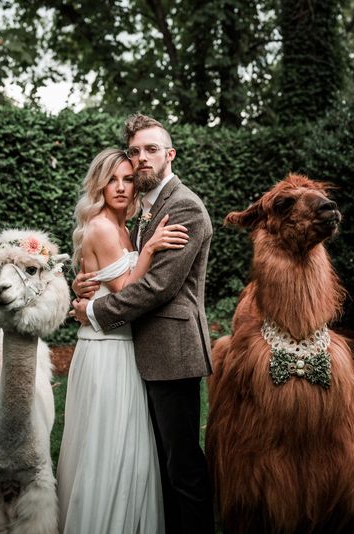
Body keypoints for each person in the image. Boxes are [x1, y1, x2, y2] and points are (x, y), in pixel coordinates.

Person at [72, 114, 215, 534]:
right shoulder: (144, 209)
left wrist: (95, 312)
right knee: (159, 463)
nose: (141, 159)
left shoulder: (183, 206)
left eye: (151, 149)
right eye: (135, 151)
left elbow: (156, 287)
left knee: (183, 466)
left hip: (172, 352)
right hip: (142, 351)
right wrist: (86, 283)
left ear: (170, 154)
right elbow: (115, 267)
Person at [57, 147, 189, 534]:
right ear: (99, 184)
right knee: (107, 449)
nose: (120, 187)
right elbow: (126, 289)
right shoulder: (101, 226)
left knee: (126, 449)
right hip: (106, 352)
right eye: (111, 179)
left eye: (127, 179)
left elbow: (99, 287)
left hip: (121, 347)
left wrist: (81, 290)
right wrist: (150, 249)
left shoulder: (124, 228)